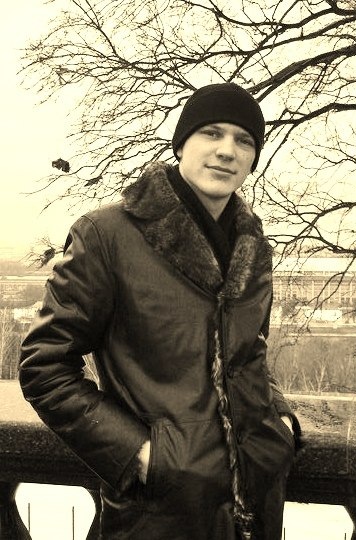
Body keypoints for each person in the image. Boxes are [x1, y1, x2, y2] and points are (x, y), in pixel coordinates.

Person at [19, 83, 301, 540]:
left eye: (244, 140)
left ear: (252, 159)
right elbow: (44, 367)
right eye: (211, 132)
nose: (227, 150)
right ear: (181, 143)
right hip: (158, 513)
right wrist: (141, 454)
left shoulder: (254, 247)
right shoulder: (107, 235)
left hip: (258, 498)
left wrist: (280, 422)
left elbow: (250, 352)